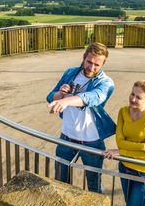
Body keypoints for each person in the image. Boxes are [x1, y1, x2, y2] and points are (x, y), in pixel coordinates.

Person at [47, 42, 116, 193]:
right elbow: (50, 96)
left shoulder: (106, 83)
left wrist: (65, 101)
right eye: (89, 62)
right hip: (66, 138)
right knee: (60, 181)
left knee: (94, 185)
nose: (91, 68)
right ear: (84, 57)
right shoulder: (70, 73)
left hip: (91, 142)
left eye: (97, 65)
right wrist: (60, 94)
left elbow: (92, 97)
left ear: (103, 64)